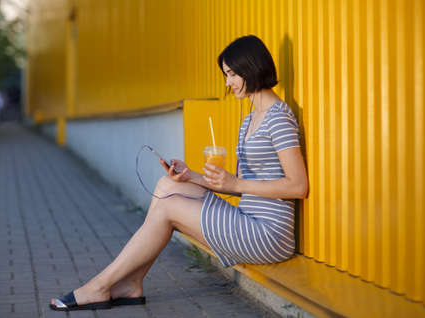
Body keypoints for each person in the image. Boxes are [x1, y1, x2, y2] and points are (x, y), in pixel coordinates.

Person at [50, 34, 308, 311]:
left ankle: (100, 286)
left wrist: (235, 182)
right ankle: (131, 283)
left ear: (251, 66)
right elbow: (236, 185)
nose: (227, 83)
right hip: (248, 218)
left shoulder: (278, 117)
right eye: (226, 75)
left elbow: (297, 186)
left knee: (167, 207)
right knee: (166, 185)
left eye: (232, 74)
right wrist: (191, 176)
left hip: (268, 234)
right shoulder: (250, 119)